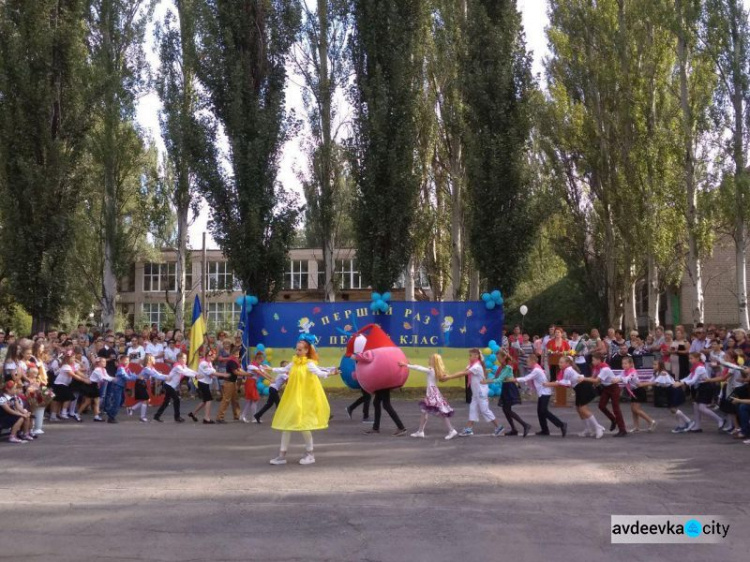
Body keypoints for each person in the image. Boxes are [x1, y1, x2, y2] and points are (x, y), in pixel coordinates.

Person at [268, 337, 339, 466]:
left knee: (305, 426)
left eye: (300, 349)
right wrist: (269, 369)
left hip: (305, 399)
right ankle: (281, 456)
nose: (297, 351)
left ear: (306, 350)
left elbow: (318, 373)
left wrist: (330, 373)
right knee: (286, 425)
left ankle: (310, 454)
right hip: (293, 397)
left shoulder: (309, 364)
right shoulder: (294, 362)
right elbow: (283, 369)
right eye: (296, 349)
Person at [441, 349, 504, 437]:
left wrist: (449, 377)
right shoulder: (472, 365)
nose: (469, 357)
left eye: (470, 355)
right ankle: (469, 429)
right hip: (476, 392)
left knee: (485, 410)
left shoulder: (477, 367)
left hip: (481, 392)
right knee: (473, 408)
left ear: (476, 356)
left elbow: (464, 373)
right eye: (469, 355)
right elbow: (464, 371)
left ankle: (499, 427)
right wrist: (449, 375)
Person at [399, 354, 458, 440]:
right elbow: (418, 366)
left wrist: (406, 365)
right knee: (424, 411)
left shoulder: (431, 370)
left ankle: (451, 430)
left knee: (440, 412)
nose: (428, 360)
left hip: (432, 394)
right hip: (432, 392)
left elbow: (419, 368)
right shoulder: (435, 370)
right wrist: (409, 364)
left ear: (434, 361)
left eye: (430, 359)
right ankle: (420, 431)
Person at [509, 354, 567, 437]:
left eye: (528, 362)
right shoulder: (536, 368)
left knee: (543, 411)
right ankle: (545, 430)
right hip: (542, 392)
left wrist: (514, 379)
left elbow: (526, 378)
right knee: (540, 412)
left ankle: (561, 424)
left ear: (533, 361)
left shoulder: (536, 370)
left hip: (545, 393)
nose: (527, 363)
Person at [546, 355, 603, 438]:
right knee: (579, 409)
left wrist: (549, 384)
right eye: (559, 362)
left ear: (568, 363)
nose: (559, 364)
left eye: (561, 362)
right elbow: (563, 382)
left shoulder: (568, 370)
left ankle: (598, 427)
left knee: (583, 409)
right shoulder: (565, 370)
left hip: (583, 387)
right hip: (579, 388)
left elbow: (565, 383)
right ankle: (588, 429)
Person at [675, 352, 726, 433]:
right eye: (689, 358)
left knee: (702, 408)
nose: (690, 360)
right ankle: (697, 426)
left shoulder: (700, 368)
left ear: (698, 358)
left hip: (706, 387)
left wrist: (681, 383)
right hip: (700, 387)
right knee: (695, 405)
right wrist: (678, 381)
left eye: (691, 358)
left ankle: (720, 420)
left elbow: (693, 380)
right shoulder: (695, 367)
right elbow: (688, 377)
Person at [151, 353, 198, 423]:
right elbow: (185, 372)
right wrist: (195, 375)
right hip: (168, 386)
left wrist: (197, 373)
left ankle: (156, 416)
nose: (186, 360)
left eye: (186, 358)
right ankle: (177, 417)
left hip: (170, 386)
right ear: (179, 359)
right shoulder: (177, 367)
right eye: (184, 358)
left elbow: (188, 370)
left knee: (166, 402)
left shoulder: (182, 366)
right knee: (177, 400)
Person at [592, 352, 627, 437]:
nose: (592, 362)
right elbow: (594, 378)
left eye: (593, 360)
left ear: (598, 360)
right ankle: (613, 419)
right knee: (601, 405)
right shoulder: (597, 367)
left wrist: (583, 379)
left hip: (613, 388)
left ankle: (622, 429)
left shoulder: (604, 369)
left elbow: (597, 380)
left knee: (616, 408)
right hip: (606, 388)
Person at [620, 356, 657, 433]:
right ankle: (636, 426)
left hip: (638, 391)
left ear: (631, 364)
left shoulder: (633, 372)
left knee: (636, 409)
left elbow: (627, 379)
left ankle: (651, 421)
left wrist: (619, 379)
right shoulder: (624, 372)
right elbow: (620, 376)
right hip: (633, 391)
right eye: (623, 363)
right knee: (633, 410)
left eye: (626, 363)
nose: (624, 365)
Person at [188, 349, 219, 424]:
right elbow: (211, 373)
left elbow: (212, 371)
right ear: (208, 355)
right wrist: (221, 374)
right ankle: (206, 418)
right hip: (202, 383)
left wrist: (213, 372)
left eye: (214, 357)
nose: (213, 359)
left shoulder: (209, 362)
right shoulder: (203, 363)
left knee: (205, 401)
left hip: (206, 383)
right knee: (209, 399)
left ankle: (193, 413)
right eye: (212, 357)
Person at [104, 356, 137, 424]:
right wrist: (136, 377)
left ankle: (109, 412)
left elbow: (132, 375)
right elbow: (126, 377)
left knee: (121, 401)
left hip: (121, 386)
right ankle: (111, 416)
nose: (127, 362)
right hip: (117, 386)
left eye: (128, 360)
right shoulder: (121, 368)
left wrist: (137, 377)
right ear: (121, 361)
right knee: (117, 402)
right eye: (125, 360)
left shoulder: (126, 368)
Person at [127, 354, 155, 422]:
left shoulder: (150, 367)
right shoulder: (147, 368)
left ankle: (131, 409)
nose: (154, 360)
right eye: (153, 359)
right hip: (140, 383)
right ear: (150, 361)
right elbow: (155, 375)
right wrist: (165, 377)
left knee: (146, 400)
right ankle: (142, 417)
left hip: (142, 383)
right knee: (145, 400)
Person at [240, 351, 265, 423]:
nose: (262, 361)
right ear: (257, 359)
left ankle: (244, 416)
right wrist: (270, 379)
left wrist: (271, 378)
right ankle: (253, 417)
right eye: (261, 360)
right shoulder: (252, 366)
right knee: (254, 399)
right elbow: (261, 373)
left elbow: (264, 372)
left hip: (252, 383)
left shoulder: (258, 366)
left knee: (251, 400)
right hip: (250, 383)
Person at [87, 357, 114, 422]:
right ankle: (77, 413)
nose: (105, 363)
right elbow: (102, 378)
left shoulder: (103, 369)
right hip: (91, 385)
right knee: (87, 401)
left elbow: (107, 376)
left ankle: (96, 416)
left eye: (105, 362)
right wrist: (113, 379)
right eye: (103, 362)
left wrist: (112, 378)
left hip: (95, 385)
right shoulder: (97, 370)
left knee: (96, 401)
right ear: (99, 363)